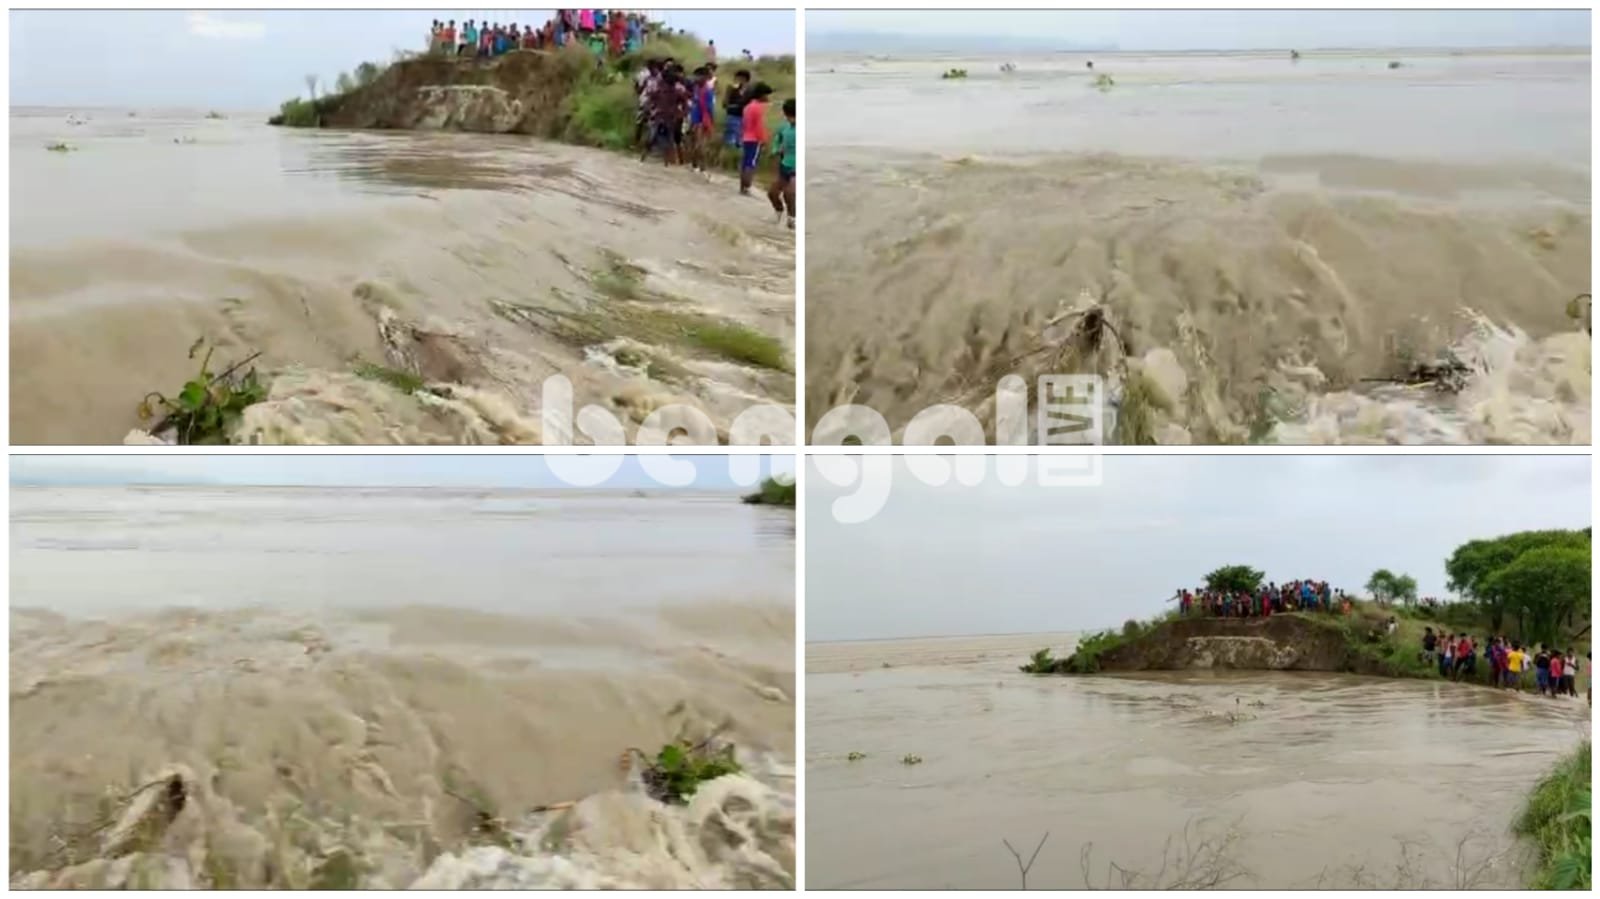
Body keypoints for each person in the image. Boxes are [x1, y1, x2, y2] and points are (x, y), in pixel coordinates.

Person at [738, 82, 773, 195]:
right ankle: (747, 187)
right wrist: (764, 139)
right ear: (761, 95)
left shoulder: (748, 107)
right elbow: (759, 126)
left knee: (745, 163)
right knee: (751, 164)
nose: (768, 98)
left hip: (746, 137)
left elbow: (744, 124)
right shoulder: (758, 108)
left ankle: (742, 187)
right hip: (754, 139)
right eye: (766, 95)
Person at [767, 97, 796, 229]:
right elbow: (777, 139)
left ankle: (792, 219)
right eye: (789, 117)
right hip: (785, 164)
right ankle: (779, 212)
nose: (791, 120)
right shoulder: (784, 126)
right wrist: (775, 150)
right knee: (772, 193)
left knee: (789, 193)